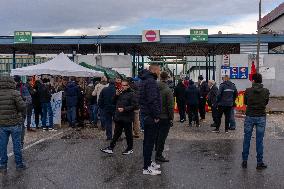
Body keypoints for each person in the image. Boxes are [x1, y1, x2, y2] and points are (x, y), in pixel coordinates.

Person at [100, 79, 138, 155]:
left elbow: (135, 106)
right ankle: (111, 148)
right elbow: (113, 102)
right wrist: (116, 95)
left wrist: (124, 109)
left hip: (127, 117)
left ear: (128, 86)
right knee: (117, 133)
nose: (123, 87)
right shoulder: (119, 92)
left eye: (124, 85)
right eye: (122, 85)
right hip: (119, 117)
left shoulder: (132, 94)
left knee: (128, 134)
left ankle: (130, 148)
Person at [242, 73, 270, 170]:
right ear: (261, 80)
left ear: (253, 80)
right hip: (261, 117)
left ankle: (244, 161)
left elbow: (245, 102)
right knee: (259, 140)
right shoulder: (266, 91)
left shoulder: (248, 91)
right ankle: (259, 162)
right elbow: (265, 103)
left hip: (249, 116)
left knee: (247, 139)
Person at [0, 76, 26, 173]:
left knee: (2, 145)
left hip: (2, 124)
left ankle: (3, 165)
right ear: (11, 82)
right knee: (17, 144)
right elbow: (22, 107)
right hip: (14, 123)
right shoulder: (15, 93)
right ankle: (19, 165)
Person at [139, 64, 162, 176]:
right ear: (154, 70)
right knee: (149, 142)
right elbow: (152, 100)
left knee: (147, 141)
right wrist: (157, 116)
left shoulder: (145, 80)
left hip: (146, 115)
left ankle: (148, 162)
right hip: (151, 116)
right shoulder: (151, 82)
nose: (160, 72)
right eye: (159, 70)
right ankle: (146, 167)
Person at [155, 72, 174, 163]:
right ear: (167, 78)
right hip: (164, 117)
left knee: (157, 135)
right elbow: (170, 106)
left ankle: (156, 150)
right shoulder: (167, 90)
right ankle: (159, 155)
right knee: (162, 137)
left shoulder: (154, 88)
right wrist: (171, 118)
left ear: (159, 77)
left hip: (156, 115)